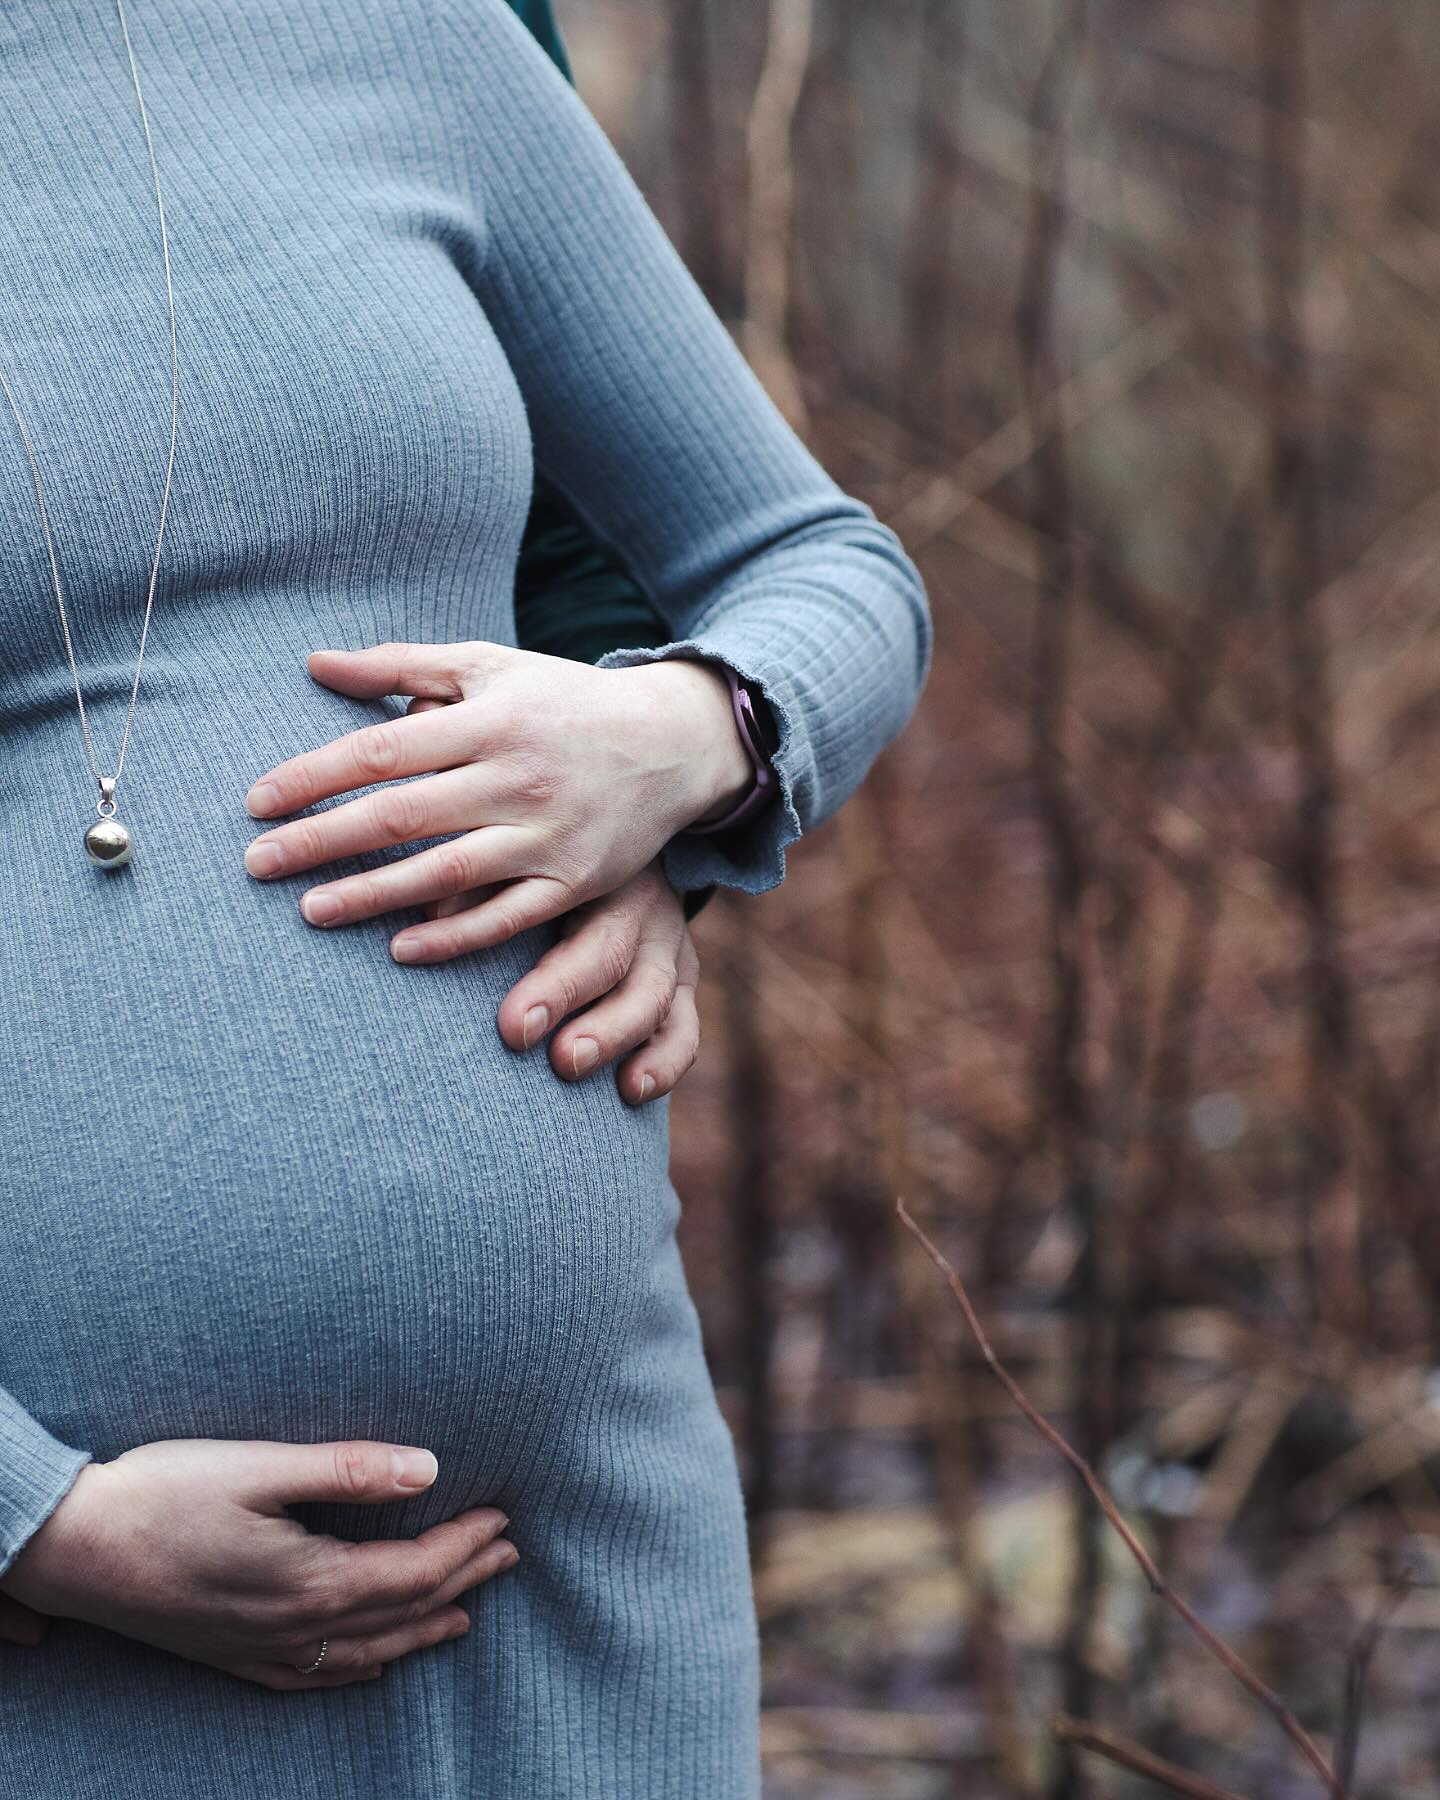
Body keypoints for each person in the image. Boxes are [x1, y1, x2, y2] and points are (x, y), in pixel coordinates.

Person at [0, 0, 932, 1795]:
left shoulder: (400, 34)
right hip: (60, 1650)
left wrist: (686, 742)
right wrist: (37, 1529)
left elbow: (822, 564)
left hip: (576, 1559)